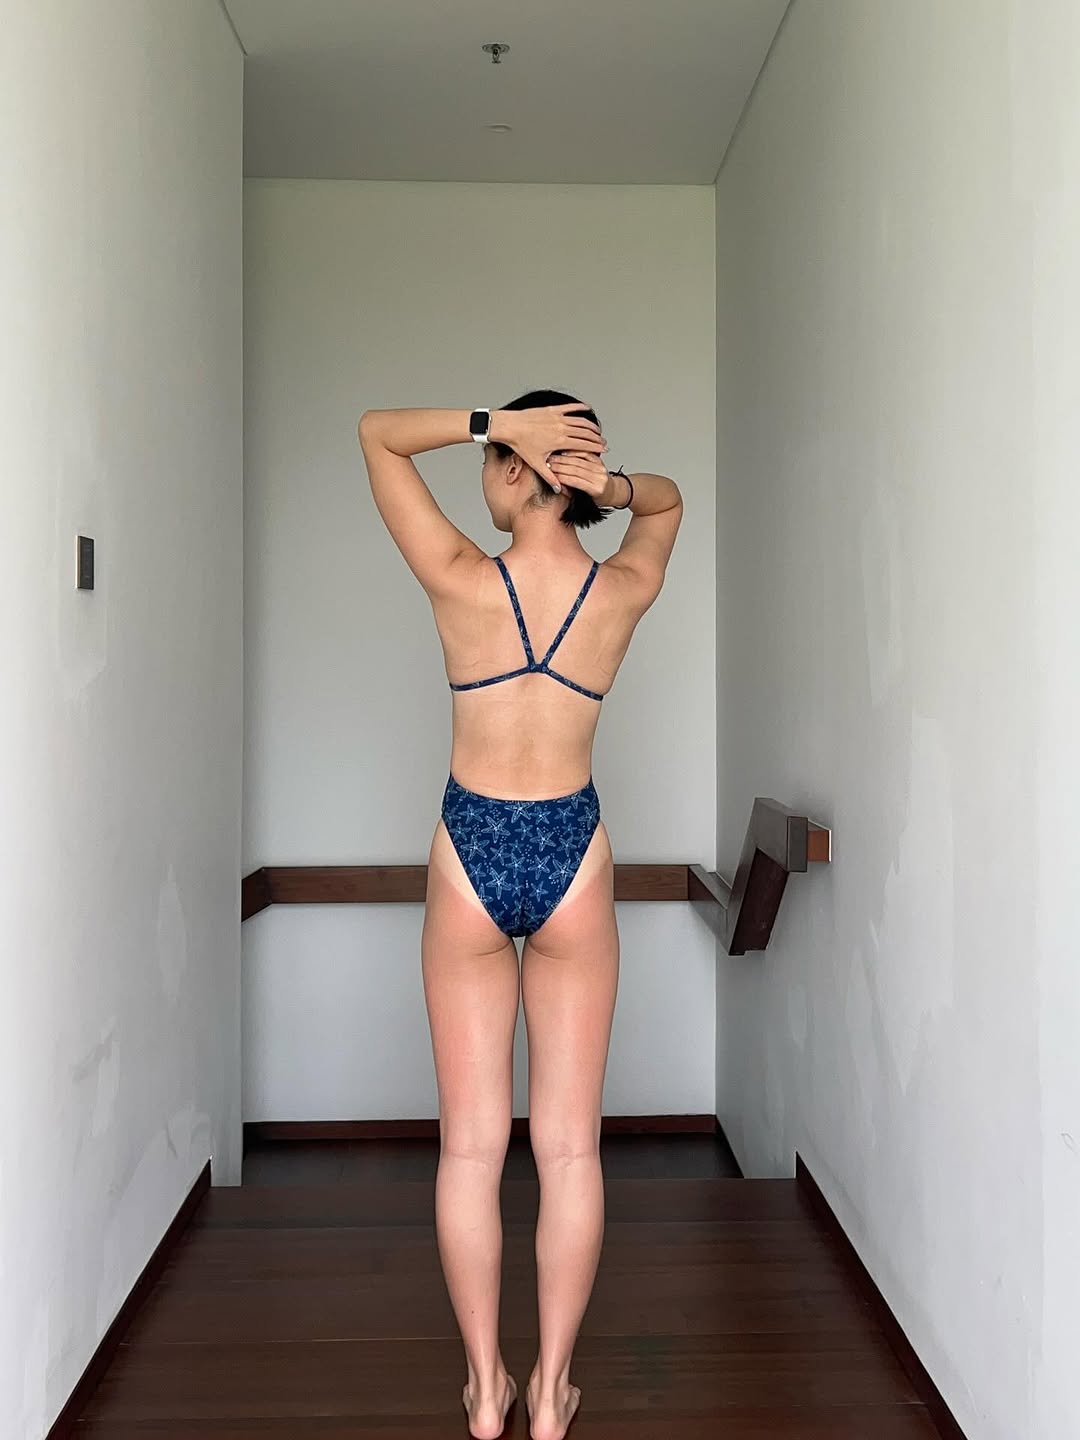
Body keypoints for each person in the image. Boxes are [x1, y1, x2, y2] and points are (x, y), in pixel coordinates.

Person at [357, 390, 683, 1440]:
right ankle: (551, 1394)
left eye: (494, 461)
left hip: (472, 847)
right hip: (573, 849)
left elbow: (376, 433)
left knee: (470, 1150)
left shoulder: (462, 577)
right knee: (571, 1151)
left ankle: (486, 1391)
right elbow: (668, 504)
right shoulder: (620, 589)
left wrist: (491, 420)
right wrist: (612, 486)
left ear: (512, 467)